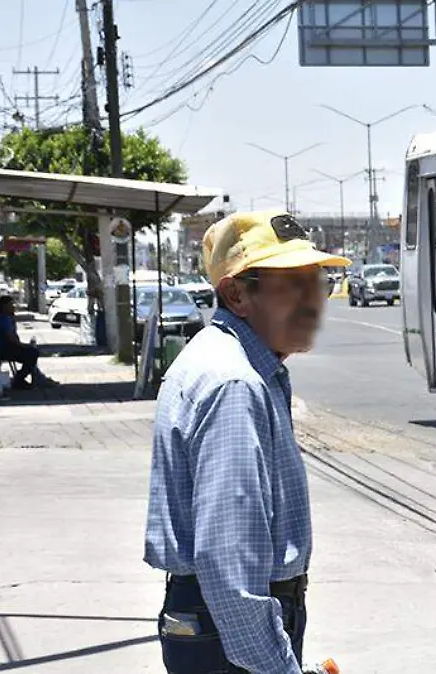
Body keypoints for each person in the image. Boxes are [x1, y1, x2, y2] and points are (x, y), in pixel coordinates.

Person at [143, 210, 350, 674]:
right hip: (228, 633)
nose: (313, 303)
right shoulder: (235, 383)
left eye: (317, 283)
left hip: (215, 625)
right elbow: (229, 561)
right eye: (292, 285)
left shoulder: (233, 363)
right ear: (237, 294)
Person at [0, 295, 56, 389]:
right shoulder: (4, 319)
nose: (13, 307)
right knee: (32, 353)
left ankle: (35, 378)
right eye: (11, 305)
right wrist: (24, 346)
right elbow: (10, 338)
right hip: (4, 349)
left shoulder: (8, 318)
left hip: (7, 347)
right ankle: (19, 379)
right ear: (4, 307)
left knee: (31, 351)